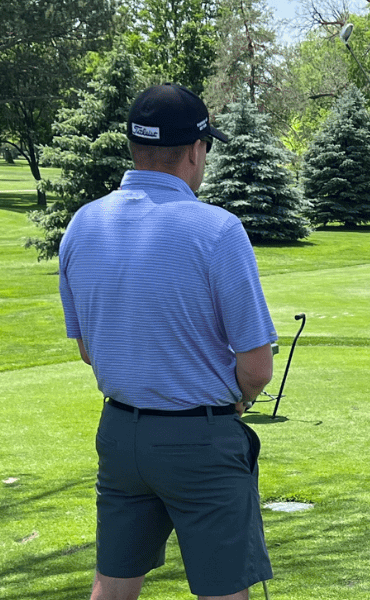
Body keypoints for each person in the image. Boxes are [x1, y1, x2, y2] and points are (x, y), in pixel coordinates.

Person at [60, 83, 278, 600]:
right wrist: (241, 398)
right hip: (199, 439)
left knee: (112, 586)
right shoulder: (218, 229)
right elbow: (257, 367)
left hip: (119, 435)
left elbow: (89, 349)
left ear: (135, 147)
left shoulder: (83, 222)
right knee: (225, 591)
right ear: (196, 150)